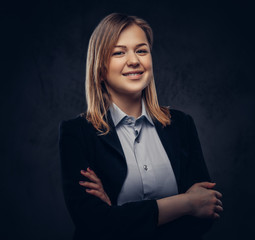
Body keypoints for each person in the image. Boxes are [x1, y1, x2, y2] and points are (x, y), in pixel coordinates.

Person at [59, 13, 223, 240]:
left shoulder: (181, 125)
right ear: (100, 69)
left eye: (141, 50)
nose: (134, 60)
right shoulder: (77, 133)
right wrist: (185, 202)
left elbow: (206, 209)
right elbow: (94, 224)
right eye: (119, 52)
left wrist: (119, 214)